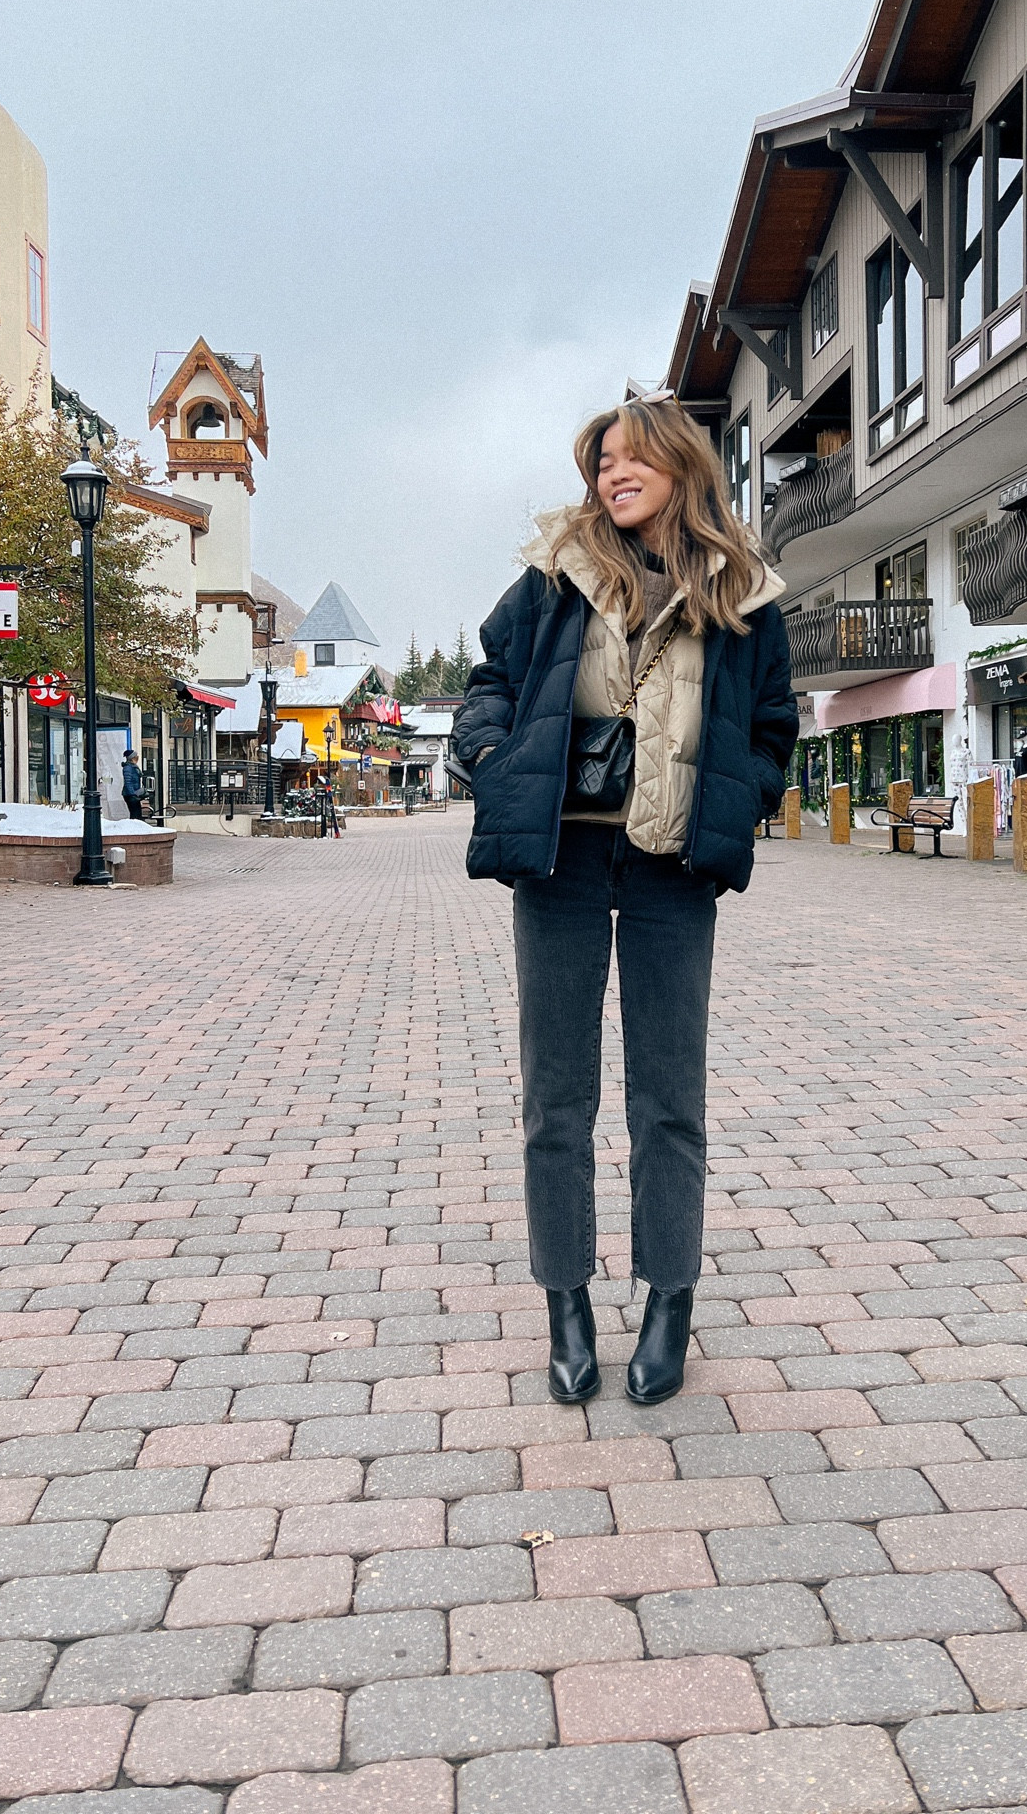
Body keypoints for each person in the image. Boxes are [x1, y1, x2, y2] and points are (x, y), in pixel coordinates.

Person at [452, 393, 798, 1406]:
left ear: (680, 465)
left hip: (671, 867)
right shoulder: (556, 572)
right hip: (560, 860)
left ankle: (668, 1300)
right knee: (556, 1099)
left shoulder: (742, 589)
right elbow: (491, 680)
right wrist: (489, 751)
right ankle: (565, 1301)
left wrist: (748, 793)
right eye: (602, 459)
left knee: (668, 1102)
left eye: (633, 456)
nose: (614, 473)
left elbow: (773, 718)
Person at [121, 748, 145, 822]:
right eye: (136, 756)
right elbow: (128, 782)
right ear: (132, 758)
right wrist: (133, 794)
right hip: (131, 795)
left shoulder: (133, 767)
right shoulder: (128, 768)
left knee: (137, 814)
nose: (137, 757)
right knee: (135, 814)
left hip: (134, 793)